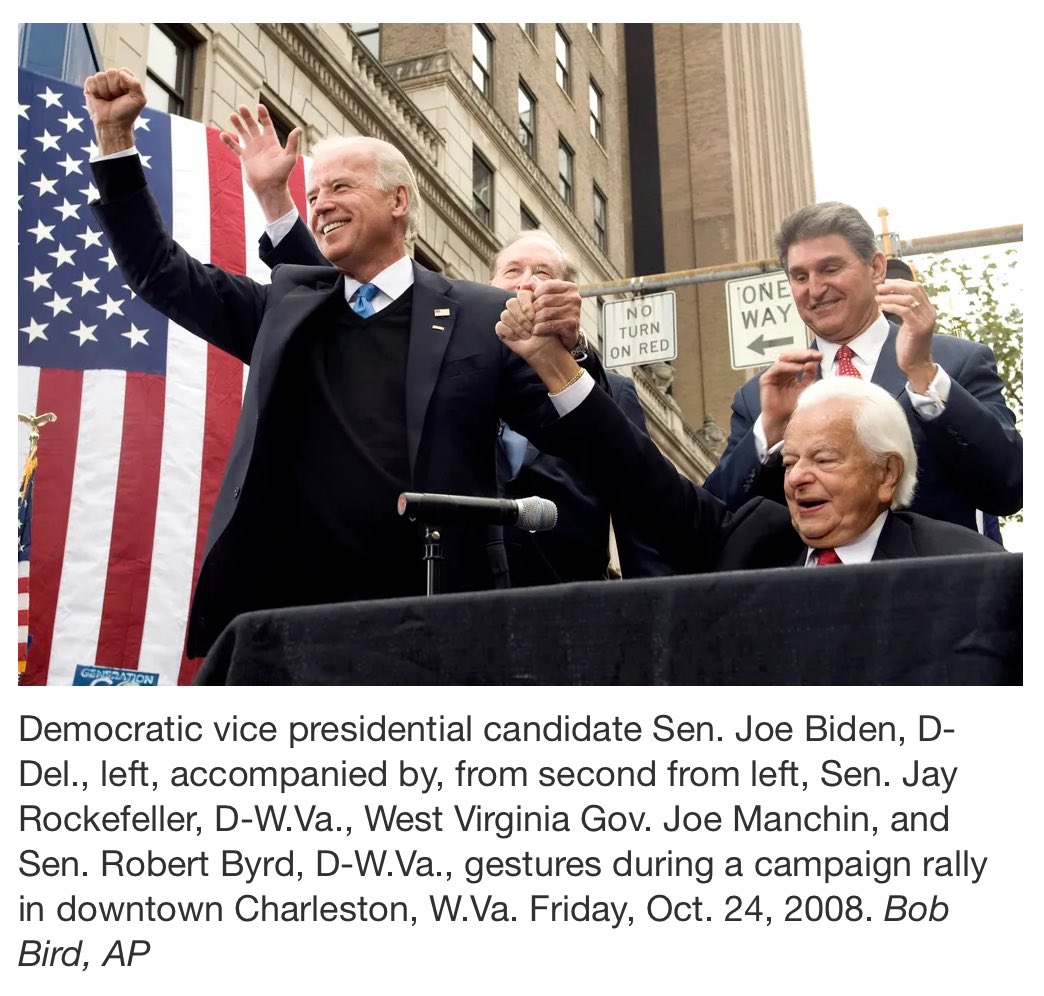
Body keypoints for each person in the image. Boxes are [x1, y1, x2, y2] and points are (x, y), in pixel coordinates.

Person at [83, 68, 595, 658]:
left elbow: (572, 432)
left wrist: (573, 352)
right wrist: (116, 141)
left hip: (436, 624)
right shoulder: (283, 315)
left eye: (340, 188)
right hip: (295, 621)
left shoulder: (480, 317)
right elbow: (160, 271)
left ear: (398, 201)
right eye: (315, 192)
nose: (321, 203)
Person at [251, 159, 672, 584]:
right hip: (457, 592)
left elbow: (639, 503)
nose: (525, 282)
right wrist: (276, 204)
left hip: (567, 603)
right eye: (512, 271)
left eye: (542, 274)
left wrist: (652, 610)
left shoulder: (610, 390)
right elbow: (343, 299)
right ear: (486, 288)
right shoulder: (441, 355)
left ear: (566, 293)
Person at [492, 306, 1003, 569]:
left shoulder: (964, 566)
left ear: (887, 473)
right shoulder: (755, 542)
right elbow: (637, 474)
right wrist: (554, 364)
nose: (799, 477)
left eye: (823, 459)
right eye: (792, 459)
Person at [701, 202, 1022, 535]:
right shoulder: (760, 399)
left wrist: (925, 379)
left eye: (830, 268)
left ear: (876, 268)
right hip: (812, 587)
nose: (814, 289)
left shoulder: (954, 364)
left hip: (938, 583)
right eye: (800, 276)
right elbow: (713, 523)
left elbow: (1011, 486)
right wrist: (770, 431)